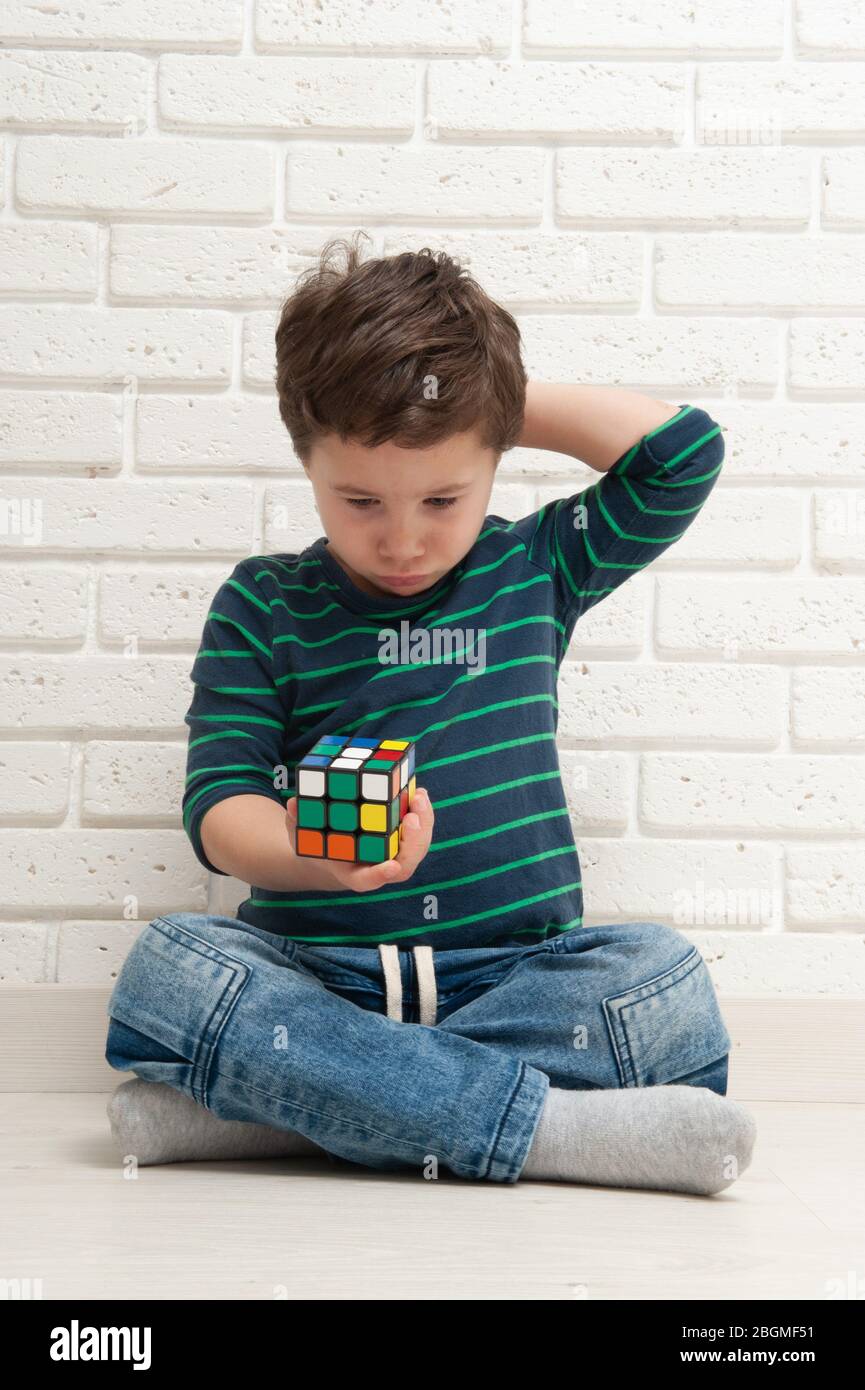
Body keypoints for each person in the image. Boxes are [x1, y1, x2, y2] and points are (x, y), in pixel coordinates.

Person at [105, 233, 756, 1195]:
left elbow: (680, 455)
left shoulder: (533, 569)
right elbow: (219, 812)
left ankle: (296, 1113)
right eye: (360, 498)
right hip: (319, 980)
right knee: (170, 971)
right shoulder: (265, 603)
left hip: (517, 983)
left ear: (491, 463)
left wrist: (481, 404)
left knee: (666, 985)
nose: (402, 539)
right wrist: (313, 858)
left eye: (444, 495)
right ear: (307, 461)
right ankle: (552, 1133)